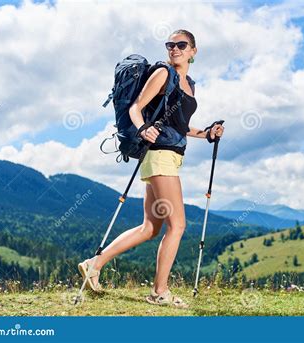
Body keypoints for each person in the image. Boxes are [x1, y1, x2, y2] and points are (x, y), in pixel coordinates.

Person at [78, 29, 224, 308]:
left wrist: (206, 133)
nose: (175, 49)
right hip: (159, 156)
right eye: (171, 45)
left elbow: (178, 126)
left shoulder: (189, 83)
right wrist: (143, 128)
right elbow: (136, 108)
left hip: (169, 154)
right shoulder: (163, 74)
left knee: (150, 227)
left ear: (194, 51)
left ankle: (94, 264)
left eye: (181, 45)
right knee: (178, 224)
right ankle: (160, 291)